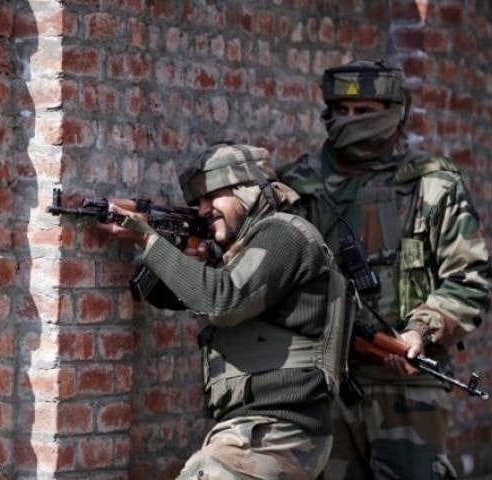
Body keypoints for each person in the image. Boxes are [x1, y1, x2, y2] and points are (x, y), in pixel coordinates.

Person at [279, 60, 492, 479]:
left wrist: (420, 332)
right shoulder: (297, 185)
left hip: (407, 387)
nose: (348, 121)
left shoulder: (432, 185)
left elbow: (469, 278)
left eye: (363, 112)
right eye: (340, 111)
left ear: (395, 112)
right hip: (324, 383)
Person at [100, 143, 352, 479]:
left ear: (248, 190)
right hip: (259, 429)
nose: (202, 209)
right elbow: (172, 293)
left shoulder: (285, 233)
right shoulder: (237, 254)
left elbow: (223, 301)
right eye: (198, 201)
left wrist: (148, 240)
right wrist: (174, 249)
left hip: (277, 430)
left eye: (212, 196)